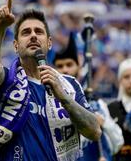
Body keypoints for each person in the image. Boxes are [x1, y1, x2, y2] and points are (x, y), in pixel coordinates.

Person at [0, 0, 101, 161]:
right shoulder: (9, 80)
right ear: (16, 45)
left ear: (49, 43)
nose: (33, 36)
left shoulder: (69, 85)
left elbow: (94, 132)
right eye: (26, 32)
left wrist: (64, 98)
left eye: (39, 31)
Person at [52, 31, 124, 161]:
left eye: (69, 64)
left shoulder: (95, 103)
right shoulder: (47, 100)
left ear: (79, 67)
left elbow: (118, 141)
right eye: (60, 66)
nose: (65, 70)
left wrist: (104, 123)